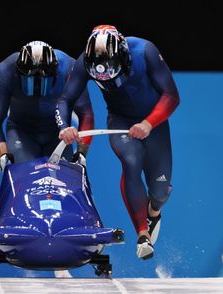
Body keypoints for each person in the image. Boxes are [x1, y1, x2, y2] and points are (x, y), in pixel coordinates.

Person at [57, 25, 180, 260]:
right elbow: (65, 100)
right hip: (120, 120)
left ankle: (154, 211)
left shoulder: (145, 51)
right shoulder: (85, 62)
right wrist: (65, 127)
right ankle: (142, 234)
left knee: (160, 191)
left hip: (153, 121)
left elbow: (172, 96)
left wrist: (148, 123)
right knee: (131, 160)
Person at [0, 40, 94, 170]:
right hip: (22, 132)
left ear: (55, 72)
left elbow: (85, 113)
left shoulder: (68, 67)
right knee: (25, 175)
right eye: (31, 79)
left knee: (63, 183)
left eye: (43, 80)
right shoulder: (5, 70)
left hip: (58, 135)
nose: (37, 85)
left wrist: (81, 152)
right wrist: (3, 155)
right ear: (18, 71)